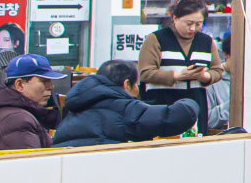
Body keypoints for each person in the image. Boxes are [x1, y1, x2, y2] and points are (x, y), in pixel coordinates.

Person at [54, 60, 201, 147]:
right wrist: (191, 102)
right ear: (126, 85)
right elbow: (180, 115)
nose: (137, 91)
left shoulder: (73, 110)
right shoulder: (125, 108)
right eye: (136, 85)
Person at [138, 0, 221, 136]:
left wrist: (204, 76)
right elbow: (145, 73)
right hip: (162, 105)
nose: (193, 28)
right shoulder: (156, 39)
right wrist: (177, 76)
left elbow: (217, 70)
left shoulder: (206, 42)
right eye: (189, 23)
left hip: (195, 105)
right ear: (175, 18)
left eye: (198, 24)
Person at [0, 54, 59, 151]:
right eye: (44, 81)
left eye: (50, 81)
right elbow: (27, 160)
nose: (50, 87)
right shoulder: (18, 121)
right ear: (19, 85)